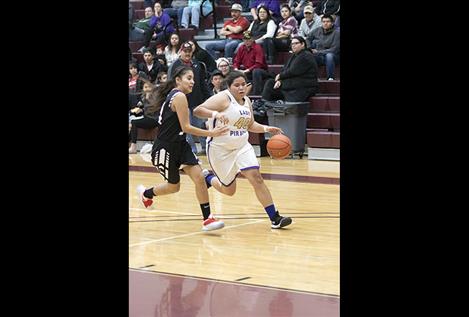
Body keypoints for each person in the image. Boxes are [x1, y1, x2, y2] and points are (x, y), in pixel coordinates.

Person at [193, 71, 293, 229]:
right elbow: (197, 110)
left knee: (256, 177)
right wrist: (216, 114)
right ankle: (208, 179)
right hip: (220, 149)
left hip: (241, 146)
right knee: (229, 191)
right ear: (229, 86)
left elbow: (250, 124)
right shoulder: (223, 98)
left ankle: (275, 218)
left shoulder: (246, 101)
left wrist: (267, 128)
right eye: (236, 85)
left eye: (243, 85)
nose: (241, 88)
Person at [136, 66, 229, 231]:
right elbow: (186, 127)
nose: (192, 81)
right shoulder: (179, 96)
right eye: (188, 78)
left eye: (193, 78)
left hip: (180, 144)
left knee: (199, 178)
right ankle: (146, 194)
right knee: (174, 187)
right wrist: (211, 132)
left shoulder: (179, 96)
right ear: (178, 80)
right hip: (165, 148)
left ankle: (207, 219)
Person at [169, 42, 211, 155]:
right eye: (185, 51)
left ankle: (205, 148)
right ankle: (191, 150)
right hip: (182, 102)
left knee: (200, 125)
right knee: (186, 127)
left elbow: (202, 83)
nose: (187, 53)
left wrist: (210, 97)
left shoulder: (197, 64)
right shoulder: (175, 65)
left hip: (197, 100)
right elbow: (170, 83)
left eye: (189, 51)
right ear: (180, 52)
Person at [261, 36, 318, 102]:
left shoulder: (306, 55)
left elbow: (293, 71)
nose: (293, 46)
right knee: (270, 83)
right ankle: (263, 104)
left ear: (303, 44)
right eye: (292, 44)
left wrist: (280, 77)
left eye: (296, 43)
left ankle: (264, 104)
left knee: (271, 83)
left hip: (305, 86)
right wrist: (280, 80)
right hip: (293, 83)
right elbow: (285, 69)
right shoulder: (294, 55)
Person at [233, 30, 272, 95]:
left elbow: (259, 64)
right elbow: (236, 61)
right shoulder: (241, 48)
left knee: (256, 71)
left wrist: (246, 71)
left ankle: (256, 96)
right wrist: (236, 69)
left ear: (253, 39)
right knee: (234, 72)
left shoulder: (257, 47)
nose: (246, 42)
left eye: (248, 39)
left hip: (261, 71)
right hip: (248, 71)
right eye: (245, 40)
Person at [129, 81, 159, 154]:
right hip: (147, 118)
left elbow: (153, 109)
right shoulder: (143, 98)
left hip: (154, 119)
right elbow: (142, 108)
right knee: (132, 122)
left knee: (134, 122)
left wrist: (148, 99)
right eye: (145, 87)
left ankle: (133, 146)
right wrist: (140, 110)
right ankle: (131, 145)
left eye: (149, 87)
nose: (147, 89)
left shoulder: (155, 96)